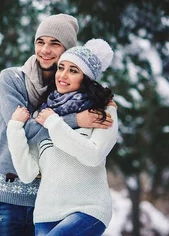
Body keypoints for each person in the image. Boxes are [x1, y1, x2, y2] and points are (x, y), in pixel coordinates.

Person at [0, 14, 113, 236]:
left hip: (49, 202)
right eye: (40, 42)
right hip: (7, 196)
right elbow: (24, 131)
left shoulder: (71, 91)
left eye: (55, 43)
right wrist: (74, 119)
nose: (45, 50)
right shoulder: (12, 79)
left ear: (68, 50)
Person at [7, 39, 119, 236]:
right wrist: (14, 128)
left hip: (88, 209)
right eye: (61, 68)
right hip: (45, 215)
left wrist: (55, 124)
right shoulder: (43, 115)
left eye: (73, 70)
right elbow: (27, 173)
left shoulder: (103, 111)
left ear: (85, 78)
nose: (63, 76)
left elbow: (93, 156)